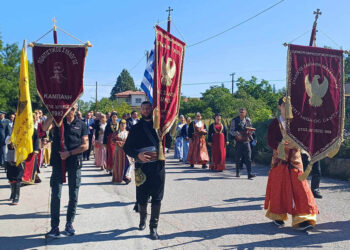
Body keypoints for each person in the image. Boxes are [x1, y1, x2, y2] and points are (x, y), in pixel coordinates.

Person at [264, 97, 318, 231]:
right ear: (279, 107)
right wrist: (282, 145)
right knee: (279, 188)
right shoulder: (274, 123)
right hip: (280, 160)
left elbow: (305, 137)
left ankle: (304, 218)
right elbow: (271, 141)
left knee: (301, 187)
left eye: (289, 105)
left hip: (295, 160)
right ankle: (278, 216)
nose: (287, 107)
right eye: (284, 105)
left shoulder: (297, 123)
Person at [43, 106, 89, 238]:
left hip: (74, 161)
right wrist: (53, 112)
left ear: (76, 109)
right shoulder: (58, 122)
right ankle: (54, 227)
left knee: (73, 193)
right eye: (68, 108)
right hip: (58, 162)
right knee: (56, 194)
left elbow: (85, 145)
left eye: (72, 108)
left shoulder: (81, 124)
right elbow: (45, 128)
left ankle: (69, 223)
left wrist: (69, 153)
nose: (70, 111)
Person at [124, 101, 165, 240]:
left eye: (148, 108)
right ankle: (142, 219)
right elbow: (127, 147)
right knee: (142, 198)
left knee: (157, 198)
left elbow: (169, 141)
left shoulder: (160, 126)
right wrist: (137, 155)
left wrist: (164, 134)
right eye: (144, 108)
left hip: (158, 167)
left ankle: (153, 227)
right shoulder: (135, 128)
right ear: (140, 110)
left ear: (152, 110)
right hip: (142, 167)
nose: (146, 110)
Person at [6, 128, 39, 205]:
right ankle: (13, 193)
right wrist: (12, 136)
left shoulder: (31, 128)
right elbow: (6, 141)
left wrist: (35, 149)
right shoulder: (13, 129)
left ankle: (16, 197)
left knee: (18, 176)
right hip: (11, 156)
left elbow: (35, 139)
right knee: (10, 176)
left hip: (22, 156)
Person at [230, 108, 256, 179]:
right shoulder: (234, 120)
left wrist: (251, 132)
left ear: (245, 113)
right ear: (238, 113)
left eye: (243, 112)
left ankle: (249, 174)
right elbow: (231, 131)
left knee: (248, 158)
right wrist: (237, 134)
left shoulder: (248, 120)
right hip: (238, 141)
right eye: (240, 112)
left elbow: (252, 130)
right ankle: (237, 172)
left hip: (246, 141)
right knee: (238, 158)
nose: (241, 113)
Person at [112, 119, 133, 184]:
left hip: (126, 151)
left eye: (124, 124)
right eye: (122, 124)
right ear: (119, 125)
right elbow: (112, 141)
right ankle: (119, 178)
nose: (123, 125)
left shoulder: (128, 133)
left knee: (130, 163)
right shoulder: (116, 133)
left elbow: (131, 141)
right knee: (119, 165)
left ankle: (127, 176)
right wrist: (119, 142)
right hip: (118, 151)